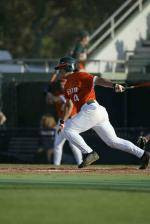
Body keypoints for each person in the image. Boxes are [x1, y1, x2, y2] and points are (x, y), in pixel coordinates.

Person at [55, 56, 150, 169]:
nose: (59, 71)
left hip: (92, 108)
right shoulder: (66, 85)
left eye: (61, 68)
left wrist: (114, 85)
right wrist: (62, 121)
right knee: (113, 142)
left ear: (68, 67)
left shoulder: (80, 75)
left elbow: (98, 80)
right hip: (93, 112)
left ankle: (89, 153)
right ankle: (143, 154)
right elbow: (69, 105)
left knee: (68, 130)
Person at [46, 77, 83, 166]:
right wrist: (47, 94)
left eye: (64, 83)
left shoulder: (70, 92)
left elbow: (57, 99)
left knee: (73, 145)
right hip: (61, 120)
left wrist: (49, 94)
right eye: (61, 83)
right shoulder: (58, 93)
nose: (62, 84)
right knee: (57, 144)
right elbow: (49, 101)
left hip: (72, 121)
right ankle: (56, 165)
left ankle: (81, 163)